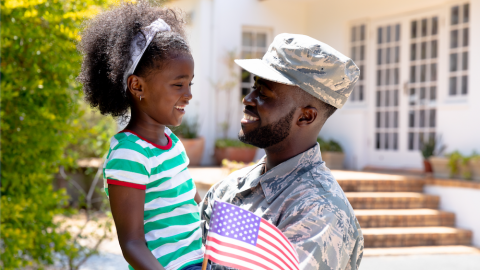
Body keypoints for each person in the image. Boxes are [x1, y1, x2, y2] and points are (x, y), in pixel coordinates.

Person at [200, 33, 364, 270]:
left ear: (306, 116)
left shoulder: (320, 212)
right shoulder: (229, 188)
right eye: (253, 86)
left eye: (264, 93)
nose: (248, 99)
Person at [78, 1, 206, 269]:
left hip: (204, 260)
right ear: (137, 86)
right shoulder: (129, 153)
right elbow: (132, 244)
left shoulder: (172, 143)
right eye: (178, 84)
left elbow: (193, 205)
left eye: (190, 84)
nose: (189, 94)